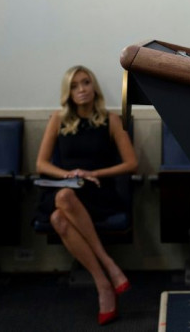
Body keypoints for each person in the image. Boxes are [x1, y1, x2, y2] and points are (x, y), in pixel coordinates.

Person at [35, 65, 138, 326]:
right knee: (61, 207)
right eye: (74, 85)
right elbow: (42, 164)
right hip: (65, 186)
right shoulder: (58, 120)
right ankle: (106, 276)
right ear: (68, 92)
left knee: (61, 212)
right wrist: (68, 175)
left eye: (85, 83)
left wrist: (94, 173)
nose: (81, 89)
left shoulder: (111, 120)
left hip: (97, 191)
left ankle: (106, 280)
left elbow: (131, 164)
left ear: (94, 87)